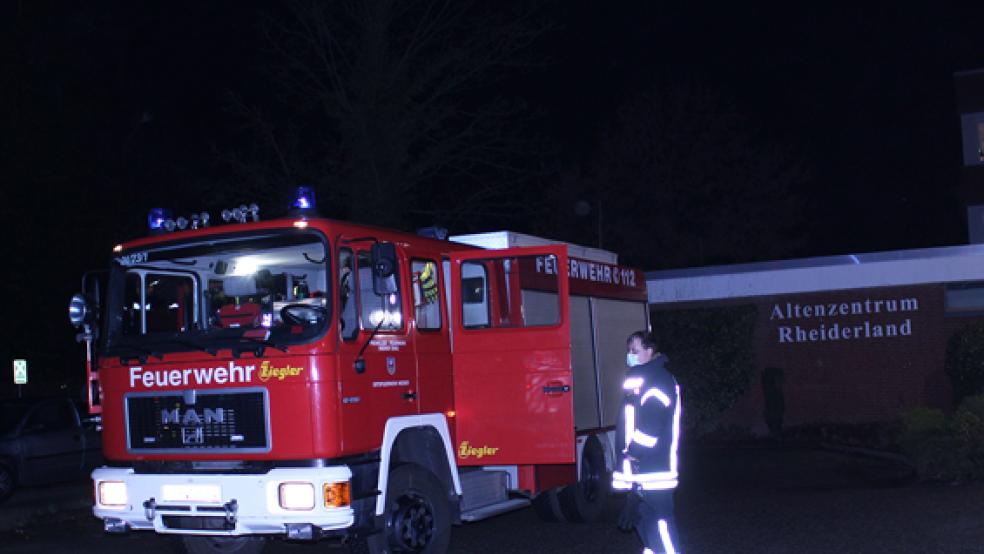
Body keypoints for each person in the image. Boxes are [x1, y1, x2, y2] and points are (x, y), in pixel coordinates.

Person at [614, 330, 682, 554]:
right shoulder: (642, 380)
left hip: (654, 470)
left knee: (661, 527)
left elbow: (651, 426)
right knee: (647, 528)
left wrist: (633, 453)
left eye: (635, 350)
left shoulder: (658, 381)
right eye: (628, 351)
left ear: (649, 351)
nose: (629, 355)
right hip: (643, 471)